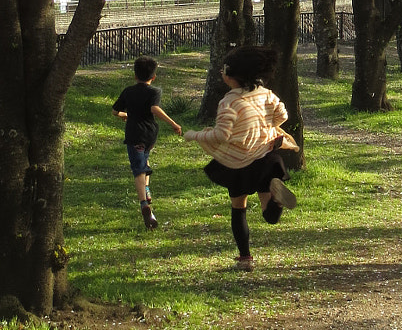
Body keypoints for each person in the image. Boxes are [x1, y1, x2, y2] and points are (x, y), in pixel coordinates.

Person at [183, 45, 298, 270]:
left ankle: (245, 259)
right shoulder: (266, 94)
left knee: (239, 208)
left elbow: (222, 135)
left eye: (224, 69)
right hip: (266, 157)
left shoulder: (229, 102)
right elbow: (282, 115)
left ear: (231, 76)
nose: (221, 72)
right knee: (269, 214)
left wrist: (196, 135)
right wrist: (264, 126)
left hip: (239, 164)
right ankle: (275, 201)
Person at [113, 56, 182, 229]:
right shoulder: (154, 91)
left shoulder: (128, 91)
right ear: (154, 76)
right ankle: (148, 190)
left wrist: (125, 115)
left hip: (134, 135)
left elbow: (115, 111)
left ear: (135, 75)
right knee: (145, 160)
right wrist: (173, 124)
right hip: (150, 134)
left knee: (138, 170)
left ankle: (144, 203)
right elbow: (153, 108)